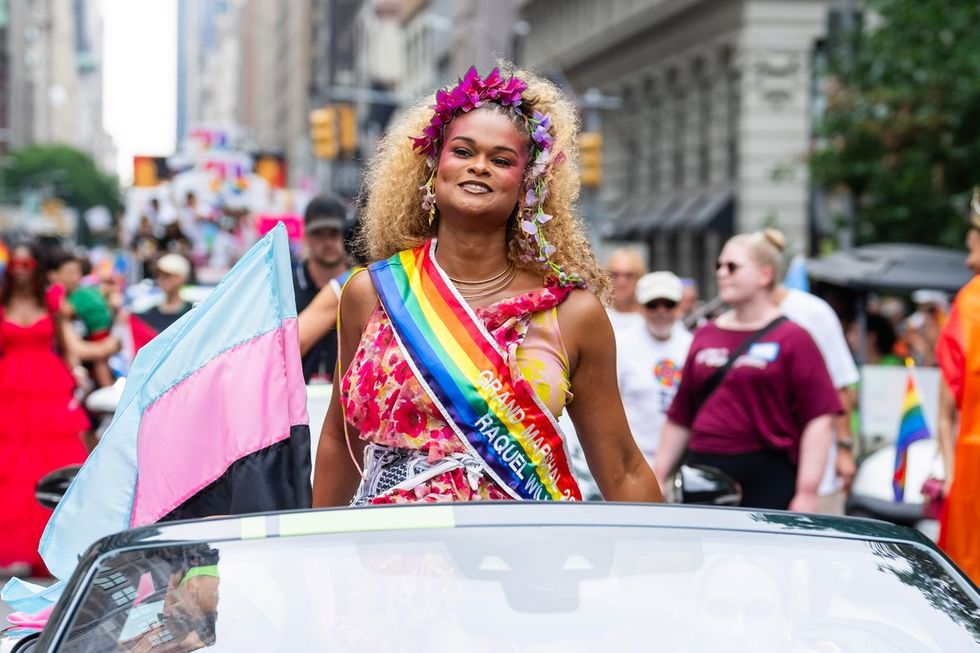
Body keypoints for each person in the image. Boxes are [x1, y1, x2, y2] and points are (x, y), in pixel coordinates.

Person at [312, 65, 662, 506]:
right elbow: (339, 443)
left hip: (518, 562)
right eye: (463, 151)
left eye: (501, 160)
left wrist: (660, 567)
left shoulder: (572, 314)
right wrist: (316, 563)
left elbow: (623, 465)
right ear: (432, 168)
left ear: (526, 187)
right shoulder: (373, 293)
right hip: (388, 558)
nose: (479, 166)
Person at [654, 230, 842, 511]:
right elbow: (681, 413)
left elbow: (819, 417)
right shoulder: (706, 334)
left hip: (768, 474)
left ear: (765, 275)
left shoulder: (793, 337)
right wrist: (658, 475)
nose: (721, 273)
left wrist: (806, 491)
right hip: (703, 472)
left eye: (732, 266)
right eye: (718, 265)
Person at [0, 245, 89, 576]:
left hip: (47, 387)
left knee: (52, 461)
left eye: (27, 262)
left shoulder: (52, 302)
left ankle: (54, 546)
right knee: (12, 465)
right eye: (16, 262)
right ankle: (15, 546)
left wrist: (81, 368)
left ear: (35, 266)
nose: (21, 268)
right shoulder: (1, 302)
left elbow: (70, 346)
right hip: (8, 391)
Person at [771, 245, 860, 513]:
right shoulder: (730, 317)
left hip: (815, 469)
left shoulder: (811, 312)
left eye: (733, 266)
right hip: (765, 470)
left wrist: (844, 448)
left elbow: (841, 384)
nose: (724, 274)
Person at [934, 188, 980, 584]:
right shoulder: (968, 304)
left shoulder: (969, 305)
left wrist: (950, 475)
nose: (969, 260)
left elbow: (945, 410)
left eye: (973, 248)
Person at [616, 271, 693, 468]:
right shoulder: (622, 345)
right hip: (635, 461)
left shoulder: (691, 345)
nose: (661, 311)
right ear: (641, 307)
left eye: (668, 304)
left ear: (679, 305)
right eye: (653, 304)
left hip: (682, 462)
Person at [292, 194, 349, 383]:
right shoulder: (285, 286)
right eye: (319, 233)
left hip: (345, 404)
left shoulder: (360, 284)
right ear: (306, 236)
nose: (327, 242)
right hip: (295, 403)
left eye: (334, 232)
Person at [137, 253, 193, 333]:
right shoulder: (149, 314)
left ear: (181, 278)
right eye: (158, 275)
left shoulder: (191, 313)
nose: (161, 279)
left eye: (167, 275)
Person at [605, 247, 647, 333]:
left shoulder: (653, 317)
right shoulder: (597, 315)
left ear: (639, 278)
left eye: (629, 276)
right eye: (614, 275)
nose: (621, 282)